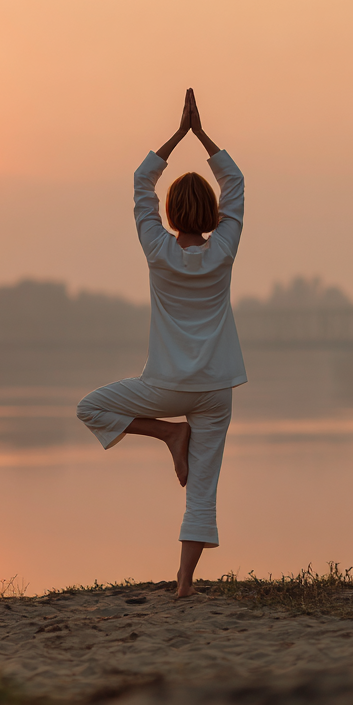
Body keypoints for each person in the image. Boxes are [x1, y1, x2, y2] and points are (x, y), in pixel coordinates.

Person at [77, 88, 246, 597]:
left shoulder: (156, 249)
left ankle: (168, 434)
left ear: (170, 212)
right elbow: (235, 183)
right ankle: (184, 583)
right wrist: (204, 137)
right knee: (203, 489)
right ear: (214, 215)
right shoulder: (224, 251)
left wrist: (176, 136)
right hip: (216, 388)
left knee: (91, 407)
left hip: (166, 386)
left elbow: (140, 183)